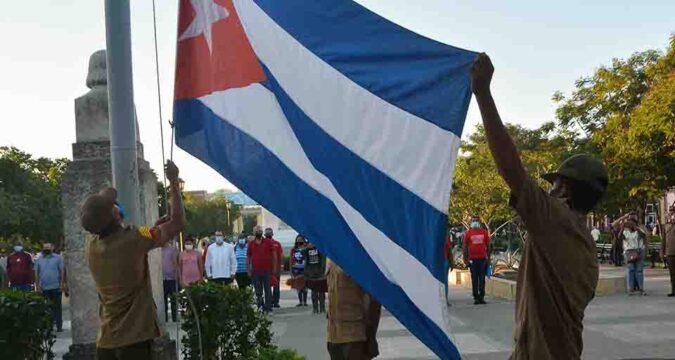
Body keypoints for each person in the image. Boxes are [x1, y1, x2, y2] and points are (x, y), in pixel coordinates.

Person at [471, 54, 608, 359]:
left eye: (554, 184)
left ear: (566, 189)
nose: (548, 189)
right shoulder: (580, 240)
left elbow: (512, 170)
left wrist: (483, 93)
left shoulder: (557, 220)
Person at [81, 161, 185, 359]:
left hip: (106, 341)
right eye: (113, 205)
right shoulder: (133, 239)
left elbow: (131, 247)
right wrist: (173, 183)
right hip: (133, 340)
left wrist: (154, 229)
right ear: (114, 214)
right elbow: (178, 223)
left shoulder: (92, 246)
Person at [326, 260, 381, 360]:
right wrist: (306, 282)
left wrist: (371, 336)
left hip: (355, 338)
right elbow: (328, 284)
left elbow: (374, 298)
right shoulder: (330, 256)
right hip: (333, 338)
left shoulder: (358, 256)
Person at [35, 242, 66, 332]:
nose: (46, 249)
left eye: (48, 247)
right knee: (47, 308)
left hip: (56, 287)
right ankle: (49, 327)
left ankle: (59, 327)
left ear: (52, 248)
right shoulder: (39, 259)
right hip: (44, 288)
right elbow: (36, 273)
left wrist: (62, 284)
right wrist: (38, 286)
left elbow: (62, 272)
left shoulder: (58, 258)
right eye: (45, 248)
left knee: (57, 307)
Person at [463, 216, 491, 305]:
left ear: (479, 222)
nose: (475, 222)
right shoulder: (468, 233)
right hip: (472, 260)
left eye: (476, 221)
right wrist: (465, 259)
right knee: (474, 279)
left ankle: (481, 297)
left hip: (483, 259)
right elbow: (464, 247)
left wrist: (489, 258)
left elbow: (488, 246)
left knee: (482, 278)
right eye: (473, 220)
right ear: (471, 222)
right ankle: (476, 297)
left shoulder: (484, 232)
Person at [248, 225, 276, 312]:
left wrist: (274, 268)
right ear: (253, 233)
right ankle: (260, 306)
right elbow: (248, 257)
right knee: (258, 290)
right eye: (256, 231)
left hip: (267, 270)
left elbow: (274, 255)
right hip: (256, 271)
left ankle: (269, 308)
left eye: (259, 230)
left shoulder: (268, 242)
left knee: (267, 289)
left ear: (262, 232)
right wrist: (248, 269)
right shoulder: (251, 244)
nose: (258, 232)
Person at [618, 217, 647, 295]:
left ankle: (641, 289)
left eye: (631, 223)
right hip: (628, 252)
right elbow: (620, 237)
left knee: (639, 271)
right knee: (630, 270)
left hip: (638, 251)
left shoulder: (639, 230)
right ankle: (631, 289)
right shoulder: (625, 231)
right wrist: (622, 227)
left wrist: (636, 228)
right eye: (629, 223)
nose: (629, 225)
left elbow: (644, 236)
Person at [303, 241, 327, 314]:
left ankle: (322, 308)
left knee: (321, 291)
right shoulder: (307, 249)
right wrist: (307, 247)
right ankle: (315, 308)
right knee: (314, 291)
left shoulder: (320, 247)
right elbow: (302, 253)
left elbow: (324, 258)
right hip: (310, 273)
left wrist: (323, 270)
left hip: (320, 272)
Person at [265, 227, 284, 308]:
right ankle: (268, 302)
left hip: (276, 268)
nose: (268, 234)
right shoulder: (262, 243)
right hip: (266, 269)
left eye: (270, 232)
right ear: (264, 234)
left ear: (272, 234)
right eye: (267, 233)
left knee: (276, 286)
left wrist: (282, 266)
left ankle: (276, 302)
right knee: (267, 286)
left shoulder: (277, 244)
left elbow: (281, 255)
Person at [162, 240, 179, 322]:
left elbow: (175, 262)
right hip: (162, 279)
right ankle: (164, 318)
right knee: (163, 300)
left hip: (171, 278)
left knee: (173, 299)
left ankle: (175, 317)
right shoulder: (158, 250)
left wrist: (176, 274)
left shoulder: (172, 250)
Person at [290, 235, 308, 307]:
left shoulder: (306, 248)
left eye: (301, 240)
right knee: (298, 286)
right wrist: (291, 271)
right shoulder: (293, 250)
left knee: (305, 286)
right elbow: (291, 260)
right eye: (298, 240)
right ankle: (300, 302)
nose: (299, 241)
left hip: (305, 270)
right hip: (296, 270)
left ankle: (305, 301)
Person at [663, 203, 675, 297]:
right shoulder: (666, 226)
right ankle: (673, 290)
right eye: (670, 211)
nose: (671, 213)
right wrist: (662, 251)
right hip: (670, 252)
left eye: (673, 211)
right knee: (672, 274)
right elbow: (664, 240)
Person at [443, 230, 454, 306]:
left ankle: (445, 300)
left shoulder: (446, 236)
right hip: (436, 262)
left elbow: (449, 250)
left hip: (444, 261)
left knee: (444, 282)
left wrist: (451, 262)